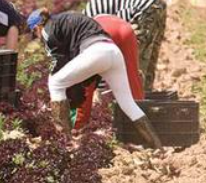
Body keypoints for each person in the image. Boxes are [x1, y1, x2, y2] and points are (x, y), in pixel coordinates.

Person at [27, 9, 161, 148]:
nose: (38, 37)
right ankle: (157, 145)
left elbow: (57, 62)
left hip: (95, 52)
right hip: (113, 51)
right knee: (128, 104)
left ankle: (64, 141)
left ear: (37, 27)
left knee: (55, 83)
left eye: (35, 33)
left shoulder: (47, 30)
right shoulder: (63, 19)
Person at [84, 0, 166, 89]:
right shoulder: (86, 25)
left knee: (134, 64)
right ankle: (144, 95)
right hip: (156, 4)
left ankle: (137, 100)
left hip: (141, 8)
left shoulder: (86, 35)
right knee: (148, 61)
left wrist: (102, 92)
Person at [70, 14, 144, 129]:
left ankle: (130, 128)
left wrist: (78, 124)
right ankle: (141, 123)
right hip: (126, 29)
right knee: (132, 80)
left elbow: (85, 88)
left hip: (106, 35)